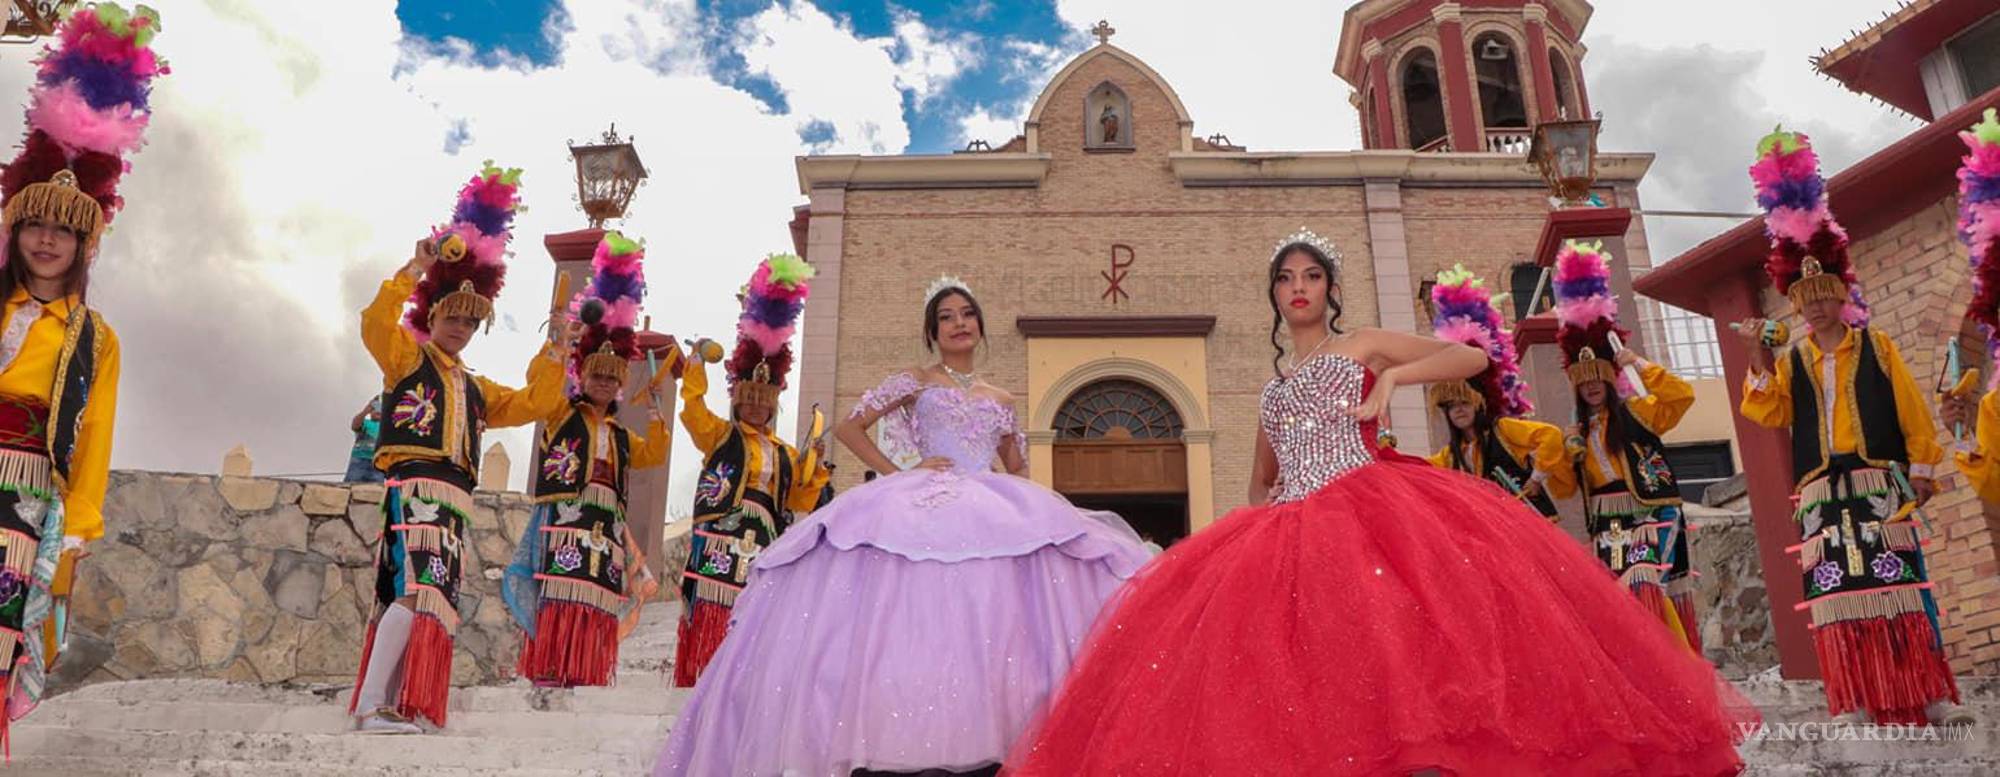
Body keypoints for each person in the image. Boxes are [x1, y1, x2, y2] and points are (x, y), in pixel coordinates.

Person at [1003, 228, 1755, 775]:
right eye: (1286, 279)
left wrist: (1394, 380)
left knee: (1399, 658)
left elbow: (1471, 355)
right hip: (1288, 533)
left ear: (1329, 288)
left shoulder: (1360, 344)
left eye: (1311, 276)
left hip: (1371, 509)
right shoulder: (1270, 389)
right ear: (1273, 295)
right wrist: (1258, 528)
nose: (1299, 287)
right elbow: (1260, 478)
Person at [654, 276, 1151, 776]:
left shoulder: (1000, 397)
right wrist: (900, 473)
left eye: (966, 314)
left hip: (987, 502)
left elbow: (1015, 462)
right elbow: (850, 426)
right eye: (946, 317)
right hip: (924, 495)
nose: (959, 323)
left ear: (980, 324)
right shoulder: (916, 380)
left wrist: (1022, 498)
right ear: (932, 332)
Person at [1736, 127, 1968, 727]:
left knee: (1902, 588)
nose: (1815, 305)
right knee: (1837, 596)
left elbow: (1913, 410)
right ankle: (1856, 699)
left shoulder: (1878, 346)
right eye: (1805, 297)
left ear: (1841, 297)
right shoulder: (1792, 361)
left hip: (1878, 482)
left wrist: (1921, 471)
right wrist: (1760, 359)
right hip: (1820, 491)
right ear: (1796, 305)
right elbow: (1767, 412)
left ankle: (1929, 694)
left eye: (1825, 294)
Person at [347, 165, 571, 734]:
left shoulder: (475, 388)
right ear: (434, 313)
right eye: (454, 317)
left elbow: (534, 405)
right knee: (419, 589)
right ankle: (371, 705)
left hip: (455, 500)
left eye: (472, 323)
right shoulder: (406, 357)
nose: (462, 329)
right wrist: (414, 268)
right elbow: (374, 323)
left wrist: (556, 351)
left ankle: (391, 702)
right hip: (416, 487)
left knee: (429, 597)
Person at [0, 2, 156, 744]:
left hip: (25, 498)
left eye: (65, 229)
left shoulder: (95, 338)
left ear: (85, 243)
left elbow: (92, 432)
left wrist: (77, 530)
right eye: (36, 223)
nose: (47, 239)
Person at [504, 231, 672, 688]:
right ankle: (552, 666)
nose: (601, 383)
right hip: (565, 511)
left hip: (604, 520)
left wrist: (656, 412)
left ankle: (588, 669)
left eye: (609, 377)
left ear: (618, 384)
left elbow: (653, 454)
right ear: (584, 377)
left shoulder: (619, 434)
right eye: (595, 375)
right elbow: (539, 390)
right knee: (560, 587)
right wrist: (559, 340)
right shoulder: (561, 413)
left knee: (597, 592)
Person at [673, 253, 831, 686]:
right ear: (739, 397)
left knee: (752, 608)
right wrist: (696, 368)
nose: (758, 404)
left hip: (764, 536)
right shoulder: (721, 436)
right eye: (751, 396)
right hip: (722, 529)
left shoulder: (782, 452)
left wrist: (815, 468)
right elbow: (691, 412)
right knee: (714, 605)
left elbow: (797, 500)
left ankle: (743, 682)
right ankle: (703, 676)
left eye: (766, 397)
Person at [1542, 239, 1702, 651]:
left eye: (1598, 377)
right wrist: (1561, 455)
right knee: (1619, 607)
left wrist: (1639, 364)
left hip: (1650, 512)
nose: (1592, 386)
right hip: (1606, 525)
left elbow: (1681, 397)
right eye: (1585, 381)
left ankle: (1678, 672)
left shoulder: (1638, 411)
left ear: (1609, 380)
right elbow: (1563, 490)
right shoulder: (1576, 432)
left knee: (1648, 588)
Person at [1422, 264, 1566, 519]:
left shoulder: (1505, 430)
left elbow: (1551, 436)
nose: (1458, 410)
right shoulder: (1450, 454)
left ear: (1478, 404)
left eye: (1464, 403)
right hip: (1492, 529)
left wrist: (1536, 479)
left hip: (1527, 522)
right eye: (1452, 406)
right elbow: (1421, 468)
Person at [346, 396, 385, 483]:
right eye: (375, 408)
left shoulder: (386, 427)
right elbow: (355, 425)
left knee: (376, 492)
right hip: (360, 460)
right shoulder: (366, 423)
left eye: (380, 408)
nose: (377, 411)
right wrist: (366, 409)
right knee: (352, 485)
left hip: (378, 463)